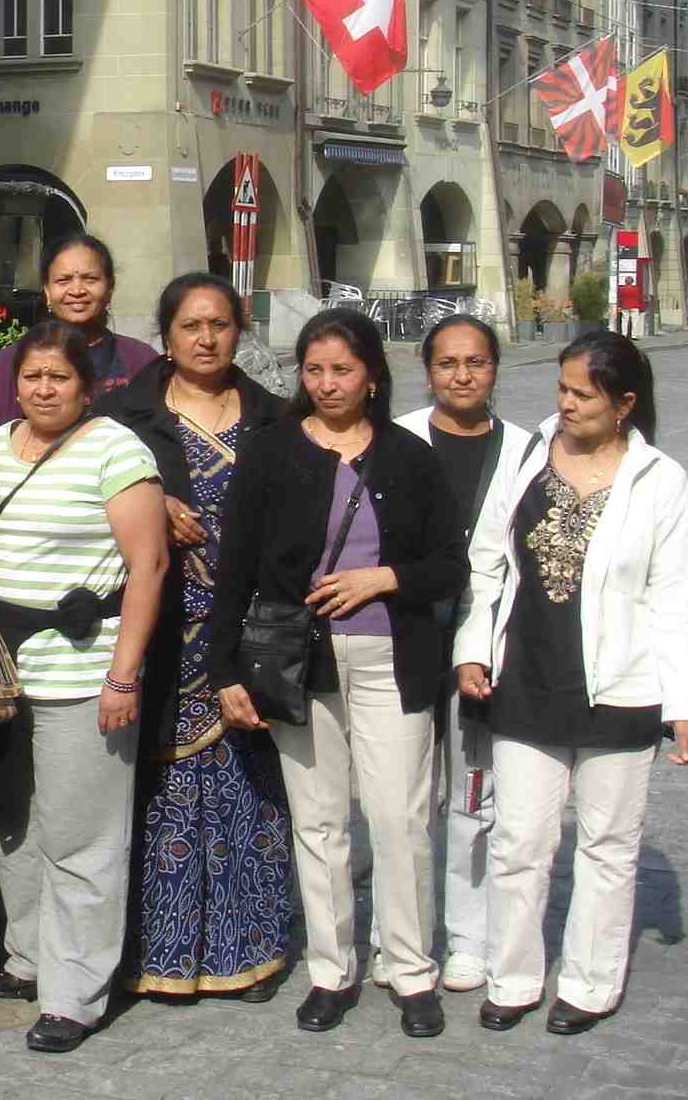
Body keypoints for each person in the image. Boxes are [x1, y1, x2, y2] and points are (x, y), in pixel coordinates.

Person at [209, 308, 467, 1040]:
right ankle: (331, 969)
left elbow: (449, 563)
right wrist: (222, 665)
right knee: (320, 823)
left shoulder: (410, 456)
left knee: (400, 818)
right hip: (300, 661)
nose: (327, 384)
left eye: (343, 370)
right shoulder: (271, 453)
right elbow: (236, 567)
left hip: (393, 656)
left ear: (373, 376)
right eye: (314, 370)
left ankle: (411, 968)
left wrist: (383, 577)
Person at [454, 330, 688, 1036]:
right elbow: (486, 562)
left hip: (621, 691)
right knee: (518, 842)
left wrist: (685, 705)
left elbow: (678, 599)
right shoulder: (530, 454)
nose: (564, 403)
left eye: (581, 394)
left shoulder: (660, 481)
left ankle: (591, 984)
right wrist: (473, 648)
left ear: (624, 403)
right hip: (527, 679)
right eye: (560, 389)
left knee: (606, 846)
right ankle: (513, 977)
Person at [99, 272, 290, 1003]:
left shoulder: (275, 418)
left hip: (246, 634)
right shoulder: (126, 418)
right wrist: (156, 500)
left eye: (219, 325)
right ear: (167, 335)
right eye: (190, 327)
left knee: (250, 794)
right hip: (163, 631)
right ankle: (162, 957)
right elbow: (97, 497)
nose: (205, 339)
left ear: (238, 328)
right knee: (163, 797)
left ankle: (252, 951)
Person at [0, 320, 168, 1054]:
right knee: (15, 827)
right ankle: (27, 957)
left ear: (86, 387)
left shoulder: (116, 449)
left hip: (84, 672)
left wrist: (125, 673)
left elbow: (147, 567)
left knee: (82, 838)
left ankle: (75, 993)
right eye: (32, 377)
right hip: (2, 672)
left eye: (59, 378)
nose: (44, 389)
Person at [364, 316, 532, 996]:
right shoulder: (397, 439)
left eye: (477, 362)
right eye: (447, 363)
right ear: (426, 370)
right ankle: (394, 935)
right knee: (399, 798)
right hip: (403, 631)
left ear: (495, 368)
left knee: (473, 792)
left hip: (486, 640)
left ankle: (469, 937)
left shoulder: (525, 449)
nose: (463, 376)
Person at [0, 234, 155, 434]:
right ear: (47, 291)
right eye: (63, 280)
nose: (77, 290)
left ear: (110, 288)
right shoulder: (14, 359)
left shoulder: (140, 359)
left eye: (90, 279)